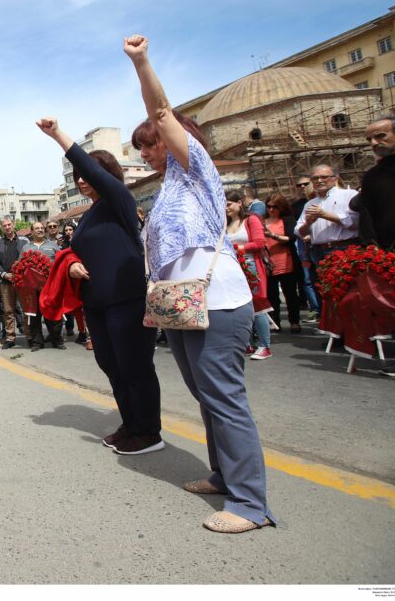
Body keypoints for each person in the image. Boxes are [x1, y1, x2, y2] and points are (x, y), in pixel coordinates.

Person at [127, 33, 274, 534]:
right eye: (142, 148)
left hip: (218, 302)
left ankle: (251, 505)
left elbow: (163, 110)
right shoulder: (167, 188)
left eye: (149, 145)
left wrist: (141, 63)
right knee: (206, 396)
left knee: (225, 398)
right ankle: (222, 475)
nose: (146, 154)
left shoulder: (196, 171)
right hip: (181, 305)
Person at [38, 117, 159, 453]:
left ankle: (149, 432)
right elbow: (77, 249)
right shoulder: (89, 213)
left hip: (126, 299)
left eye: (88, 173)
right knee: (111, 364)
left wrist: (58, 136)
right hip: (97, 304)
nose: (81, 179)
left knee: (134, 365)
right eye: (77, 176)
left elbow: (90, 170)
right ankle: (131, 422)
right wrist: (72, 261)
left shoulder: (118, 200)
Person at [351, 113, 395, 377]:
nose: (374, 142)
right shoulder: (372, 177)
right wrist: (371, 248)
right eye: (370, 138)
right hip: (391, 251)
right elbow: (368, 214)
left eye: (380, 135)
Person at [294, 163, 360, 315]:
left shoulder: (348, 195)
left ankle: (355, 334)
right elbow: (298, 231)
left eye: (324, 177)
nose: (319, 181)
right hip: (318, 252)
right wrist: (309, 222)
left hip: (343, 249)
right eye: (315, 178)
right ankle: (337, 334)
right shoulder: (310, 203)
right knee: (327, 294)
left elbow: (354, 223)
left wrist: (325, 215)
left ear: (335, 178)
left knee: (347, 292)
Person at [226, 191, 273, 360]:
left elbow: (260, 242)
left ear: (239, 203)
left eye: (229, 204)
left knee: (257, 305)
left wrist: (239, 248)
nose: (226, 208)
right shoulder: (226, 223)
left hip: (250, 264)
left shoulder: (251, 219)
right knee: (240, 306)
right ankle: (247, 343)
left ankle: (265, 345)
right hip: (232, 266)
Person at [262, 194, 301, 333]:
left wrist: (273, 235)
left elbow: (291, 238)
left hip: (286, 261)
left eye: (275, 207)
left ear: (281, 207)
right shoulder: (262, 220)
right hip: (268, 263)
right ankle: (275, 322)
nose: (271, 209)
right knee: (272, 296)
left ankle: (294, 321)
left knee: (290, 294)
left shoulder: (287, 220)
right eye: (269, 206)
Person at [25, 222, 64, 350]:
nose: (40, 230)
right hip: (32, 289)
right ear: (32, 231)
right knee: (35, 316)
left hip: (50, 287)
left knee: (53, 313)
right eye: (37, 228)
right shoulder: (26, 247)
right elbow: (20, 265)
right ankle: (37, 342)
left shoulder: (53, 246)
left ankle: (57, 340)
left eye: (42, 228)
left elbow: (60, 264)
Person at [0, 216, 28, 349]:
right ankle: (10, 337)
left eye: (9, 224)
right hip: (6, 282)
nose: (7, 227)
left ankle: (29, 336)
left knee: (26, 310)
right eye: (4, 225)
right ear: (1, 227)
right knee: (8, 311)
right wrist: (5, 274)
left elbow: (29, 259)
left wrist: (21, 274)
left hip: (22, 281)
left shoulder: (24, 241)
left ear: (13, 224)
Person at [291, 176, 320, 319]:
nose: (302, 187)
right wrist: (304, 231)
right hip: (305, 246)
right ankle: (316, 310)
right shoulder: (300, 205)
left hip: (324, 244)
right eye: (299, 185)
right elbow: (297, 229)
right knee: (308, 280)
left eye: (305, 184)